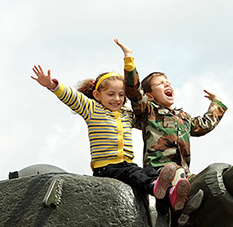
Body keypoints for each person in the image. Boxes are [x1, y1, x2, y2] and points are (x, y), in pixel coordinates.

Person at [114, 39, 233, 227]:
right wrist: (129, 58)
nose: (167, 84)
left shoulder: (183, 118)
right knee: (179, 176)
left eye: (168, 81)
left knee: (214, 187)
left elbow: (204, 125)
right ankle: (180, 211)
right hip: (159, 171)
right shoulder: (148, 112)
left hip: (184, 175)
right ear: (150, 96)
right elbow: (134, 92)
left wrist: (217, 103)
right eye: (160, 83)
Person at [30, 64, 185, 208]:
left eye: (121, 95)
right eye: (111, 94)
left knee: (148, 173)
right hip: (106, 167)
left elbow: (148, 121)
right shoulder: (91, 109)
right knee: (136, 176)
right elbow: (71, 96)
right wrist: (52, 85)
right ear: (97, 95)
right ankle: (155, 187)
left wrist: (166, 116)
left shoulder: (126, 115)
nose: (116, 99)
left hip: (127, 164)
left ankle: (171, 197)